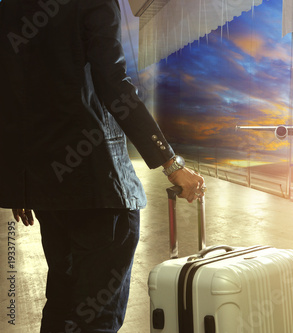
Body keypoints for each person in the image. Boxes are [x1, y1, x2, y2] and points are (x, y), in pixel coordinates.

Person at [0, 0, 204, 332]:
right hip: (101, 188)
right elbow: (113, 82)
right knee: (97, 320)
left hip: (49, 192)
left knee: (61, 310)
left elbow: (9, 93)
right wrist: (170, 163)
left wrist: (20, 184)